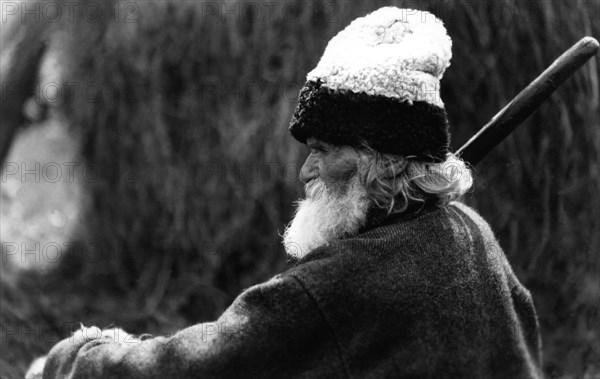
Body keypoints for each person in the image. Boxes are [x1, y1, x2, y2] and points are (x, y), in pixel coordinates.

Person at [27, 7, 542, 379]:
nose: (305, 171)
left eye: (323, 149)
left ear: (378, 160)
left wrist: (75, 359)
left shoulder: (341, 283)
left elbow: (193, 370)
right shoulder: (474, 234)